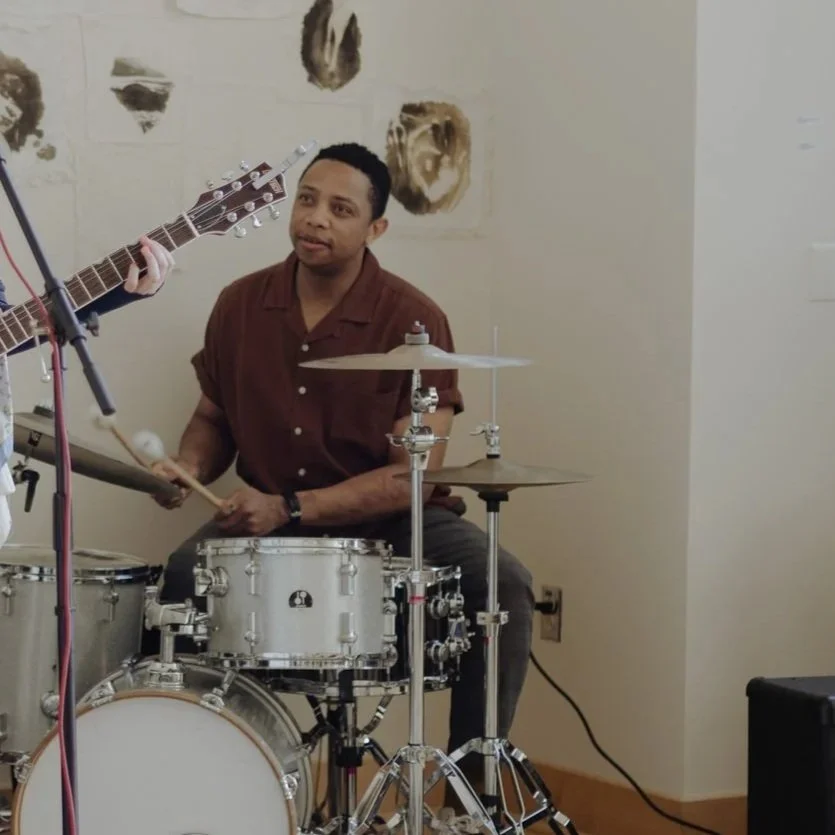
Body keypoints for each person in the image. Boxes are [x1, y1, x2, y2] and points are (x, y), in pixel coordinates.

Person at [148, 142, 534, 817]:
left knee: (501, 582)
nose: (315, 219)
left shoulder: (413, 320)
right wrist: (186, 465)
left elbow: (409, 475)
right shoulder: (238, 304)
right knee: (178, 583)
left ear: (374, 228)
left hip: (389, 522)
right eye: (306, 199)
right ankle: (211, 792)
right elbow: (211, 417)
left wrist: (289, 508)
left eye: (340, 208)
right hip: (266, 514)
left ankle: (472, 802)